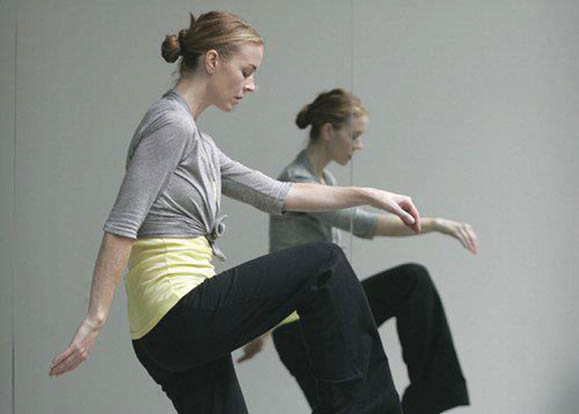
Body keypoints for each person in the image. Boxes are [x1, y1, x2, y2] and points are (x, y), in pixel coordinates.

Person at [48, 12, 423, 414]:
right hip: (179, 312)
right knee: (326, 264)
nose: (251, 84)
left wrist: (368, 195)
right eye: (246, 71)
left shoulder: (199, 144)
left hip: (163, 333)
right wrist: (96, 317)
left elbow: (278, 194)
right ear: (212, 60)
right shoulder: (171, 124)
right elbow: (123, 223)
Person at [238, 88, 476, 413]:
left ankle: (431, 396)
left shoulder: (325, 179)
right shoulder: (296, 180)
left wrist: (264, 330)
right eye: (354, 136)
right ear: (328, 131)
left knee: (412, 281)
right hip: (302, 331)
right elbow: (362, 223)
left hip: (323, 316)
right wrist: (437, 224)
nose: (360, 145)